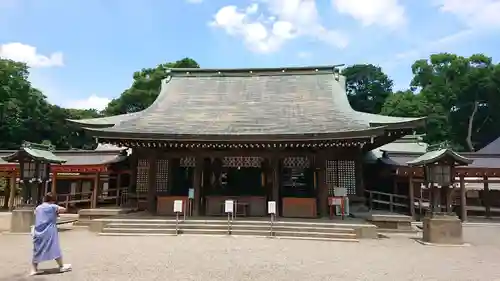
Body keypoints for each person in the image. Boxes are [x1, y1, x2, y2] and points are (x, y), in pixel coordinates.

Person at [30, 192, 72, 276]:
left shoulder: (39, 207)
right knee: (54, 247)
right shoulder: (53, 206)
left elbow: (35, 213)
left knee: (37, 249)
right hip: (49, 230)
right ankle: (61, 266)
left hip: (38, 230)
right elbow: (63, 209)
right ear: (53, 200)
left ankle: (33, 269)